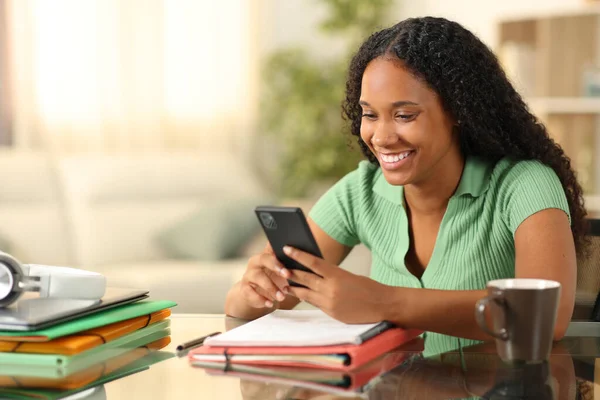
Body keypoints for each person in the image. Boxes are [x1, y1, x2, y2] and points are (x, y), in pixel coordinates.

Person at [224, 16, 583, 343]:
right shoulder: (360, 192)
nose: (381, 136)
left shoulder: (524, 184)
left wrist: (382, 301)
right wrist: (251, 290)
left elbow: (545, 316)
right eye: (369, 114)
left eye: (404, 115)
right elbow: (256, 302)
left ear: (458, 110)